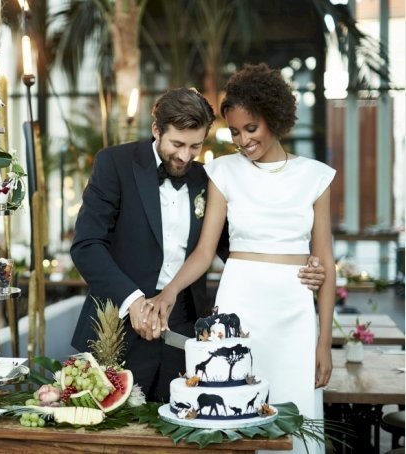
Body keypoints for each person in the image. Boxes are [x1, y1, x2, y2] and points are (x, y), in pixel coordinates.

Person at [70, 87, 326, 403]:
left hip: (182, 329)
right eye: (177, 144)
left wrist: (303, 263)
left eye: (195, 146)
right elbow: (86, 245)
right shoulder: (115, 164)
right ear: (156, 130)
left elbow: (239, 243)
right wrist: (133, 300)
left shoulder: (206, 178)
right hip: (117, 324)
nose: (184, 156)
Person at [149, 64, 335, 453]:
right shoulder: (223, 172)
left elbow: (326, 263)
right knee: (234, 410)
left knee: (296, 415)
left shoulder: (315, 177)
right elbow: (204, 253)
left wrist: (324, 343)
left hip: (295, 311)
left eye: (251, 128)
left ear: (274, 118)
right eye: (234, 132)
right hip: (240, 304)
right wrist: (168, 293)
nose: (243, 140)